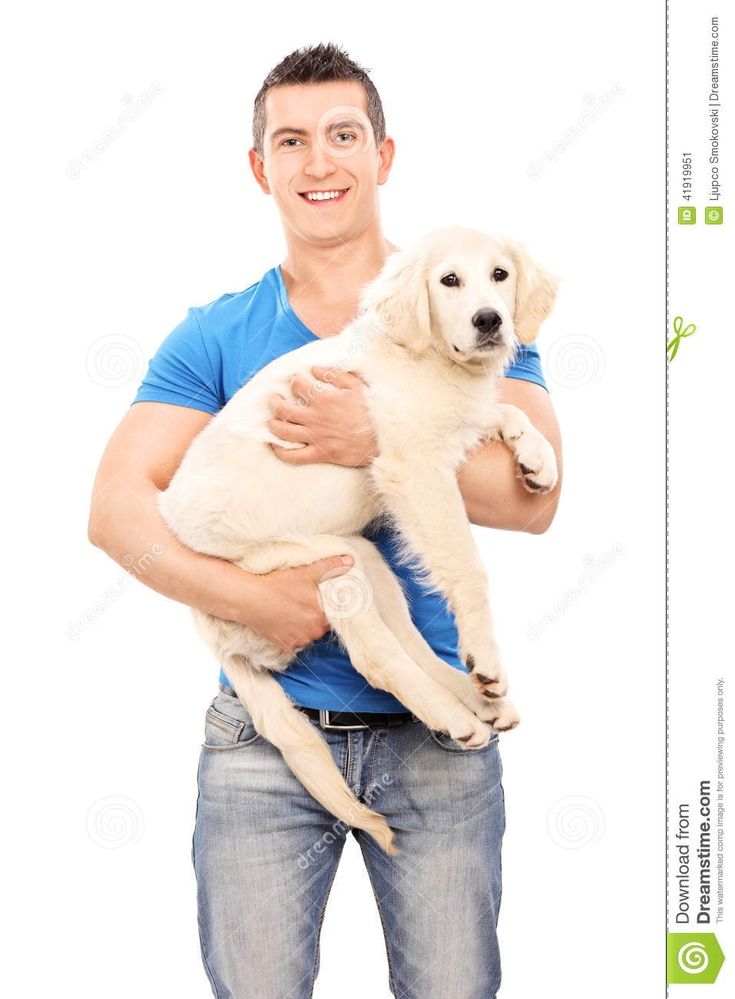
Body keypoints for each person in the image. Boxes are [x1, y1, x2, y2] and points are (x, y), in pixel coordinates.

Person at [88, 41, 562, 999]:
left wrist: (372, 436)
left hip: (441, 745)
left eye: (344, 135)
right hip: (261, 745)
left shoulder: (473, 303)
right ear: (260, 169)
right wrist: (250, 602)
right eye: (290, 141)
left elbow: (535, 503)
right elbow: (114, 509)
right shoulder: (217, 330)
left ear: (383, 155)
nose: (319, 162)